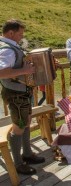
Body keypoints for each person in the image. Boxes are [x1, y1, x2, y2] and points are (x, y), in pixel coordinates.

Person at [0, 19, 45, 175]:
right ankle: (18, 163)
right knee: (19, 127)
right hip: (15, 94)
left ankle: (27, 154)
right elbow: (2, 72)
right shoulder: (6, 49)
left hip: (20, 92)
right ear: (11, 33)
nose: (21, 37)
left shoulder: (10, 46)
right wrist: (25, 71)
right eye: (20, 34)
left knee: (25, 122)